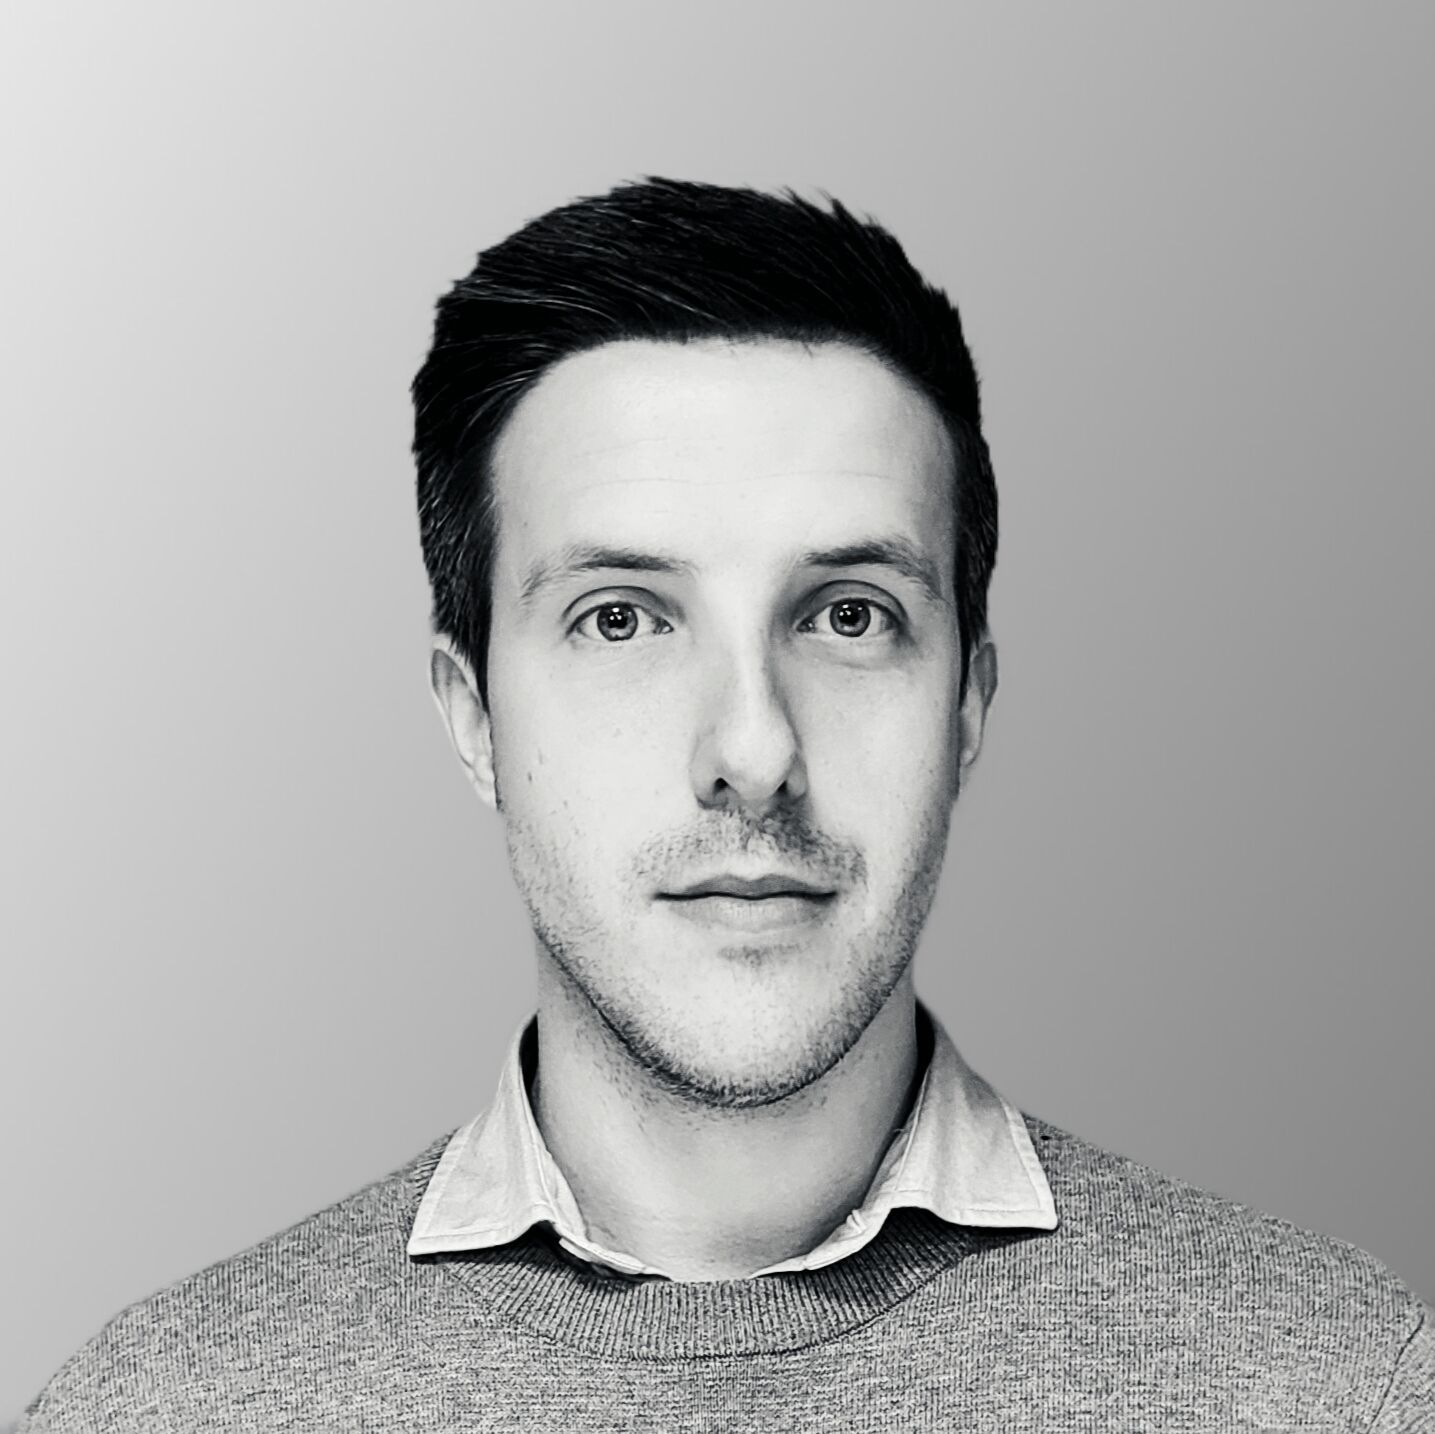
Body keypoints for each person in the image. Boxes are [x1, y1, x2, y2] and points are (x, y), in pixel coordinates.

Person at [20, 178, 1432, 1431]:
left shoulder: (1344, 1389)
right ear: (473, 716)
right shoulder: (149, 1412)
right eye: (622, 617)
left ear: (968, 704)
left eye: (850, 614)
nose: (753, 752)